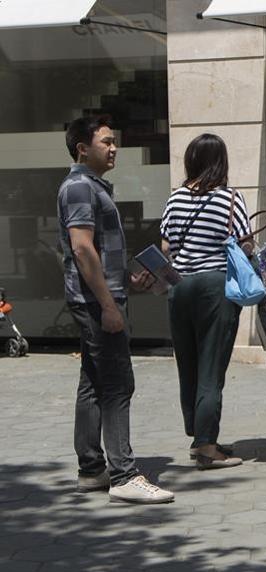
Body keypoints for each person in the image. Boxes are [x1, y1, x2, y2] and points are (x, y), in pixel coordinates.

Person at [58, 114, 173, 503]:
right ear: (82, 148)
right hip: (95, 302)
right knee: (118, 384)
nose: (114, 148)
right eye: (106, 141)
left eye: (114, 141)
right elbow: (82, 248)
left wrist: (126, 280)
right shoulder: (78, 187)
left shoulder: (90, 186)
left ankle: (92, 469)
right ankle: (124, 474)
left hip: (101, 295)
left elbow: (98, 251)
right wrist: (108, 304)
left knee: (93, 381)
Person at [158, 133, 250, 471]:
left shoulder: (176, 198)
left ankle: (199, 433)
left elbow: (167, 248)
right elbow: (244, 244)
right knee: (212, 368)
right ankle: (207, 447)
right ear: (220, 162)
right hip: (215, 287)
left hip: (179, 287)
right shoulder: (229, 199)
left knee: (189, 365)